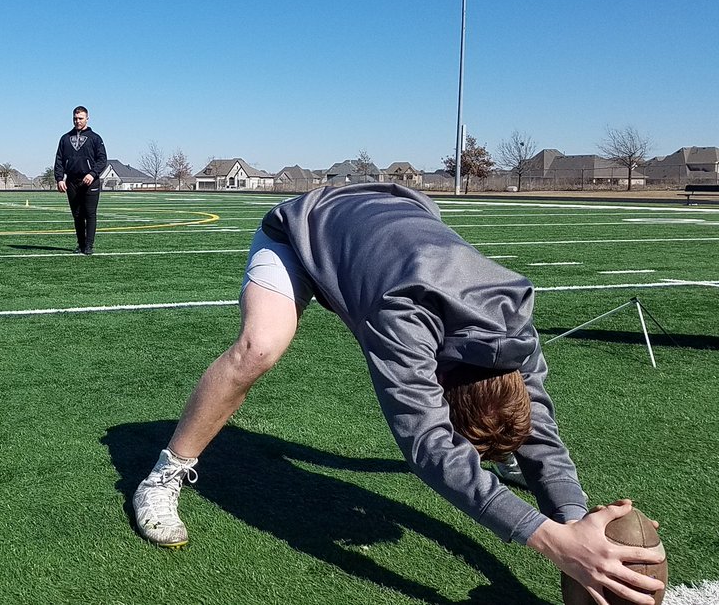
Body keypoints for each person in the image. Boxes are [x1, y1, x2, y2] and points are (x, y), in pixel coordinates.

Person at [132, 183, 665, 605]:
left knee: (512, 446)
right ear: (439, 387)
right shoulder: (404, 316)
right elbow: (429, 447)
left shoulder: (516, 318)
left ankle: (498, 455)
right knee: (259, 349)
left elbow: (541, 433)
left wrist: (575, 522)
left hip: (400, 214)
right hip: (306, 227)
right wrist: (550, 542)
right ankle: (163, 474)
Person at [53, 105, 107, 254]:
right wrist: (59, 178)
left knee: (90, 214)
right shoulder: (65, 138)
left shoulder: (95, 138)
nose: (77, 121)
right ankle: (81, 244)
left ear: (87, 119)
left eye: (80, 118)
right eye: (75, 118)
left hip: (90, 181)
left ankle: (89, 246)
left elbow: (102, 160)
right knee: (77, 215)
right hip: (72, 182)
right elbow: (59, 160)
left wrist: (92, 173)